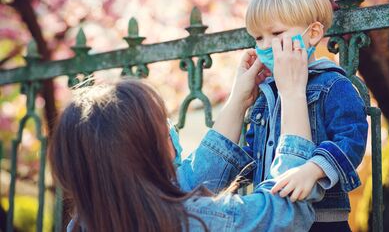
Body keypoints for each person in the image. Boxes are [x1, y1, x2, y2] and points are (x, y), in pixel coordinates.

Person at [48, 45, 324, 232]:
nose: (171, 129)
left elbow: (192, 178)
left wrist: (238, 101)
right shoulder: (194, 220)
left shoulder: (86, 221)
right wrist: (293, 95)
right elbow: (287, 213)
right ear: (150, 150)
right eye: (162, 123)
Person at [243, 0, 369, 231]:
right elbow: (253, 150)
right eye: (258, 38)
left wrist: (313, 170)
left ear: (312, 33)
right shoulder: (267, 93)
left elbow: (352, 140)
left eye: (276, 33)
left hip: (321, 219)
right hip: (273, 216)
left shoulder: (332, 85)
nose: (266, 45)